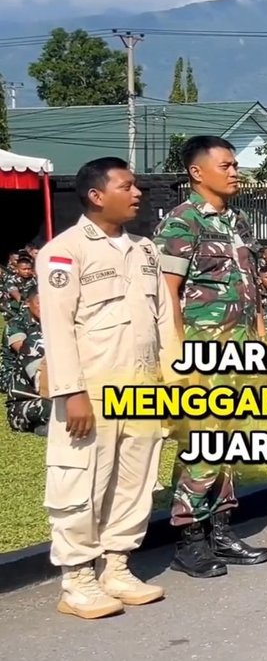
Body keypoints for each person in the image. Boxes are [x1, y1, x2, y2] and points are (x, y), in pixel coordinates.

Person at [36, 157, 176, 620]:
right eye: (127, 186)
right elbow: (57, 328)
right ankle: (77, 580)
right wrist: (70, 391)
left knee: (134, 482)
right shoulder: (64, 251)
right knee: (82, 482)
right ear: (97, 195)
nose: (138, 193)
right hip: (91, 393)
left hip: (142, 390)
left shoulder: (145, 250)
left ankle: (116, 566)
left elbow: (164, 324)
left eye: (137, 186)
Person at [153, 135, 267, 579]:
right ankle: (189, 539)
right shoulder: (182, 224)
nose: (235, 171)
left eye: (235, 164)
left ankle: (220, 529)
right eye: (226, 165)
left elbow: (251, 290)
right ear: (197, 172)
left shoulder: (236, 221)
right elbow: (167, 296)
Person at [6, 287, 51, 436]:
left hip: (48, 392)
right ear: (27, 304)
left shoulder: (51, 330)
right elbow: (44, 383)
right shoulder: (31, 344)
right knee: (60, 405)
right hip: (25, 404)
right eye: (40, 303)